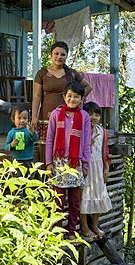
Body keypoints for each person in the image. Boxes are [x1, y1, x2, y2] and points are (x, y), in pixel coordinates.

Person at [31, 41, 92, 165]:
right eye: (56, 54)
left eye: (62, 55)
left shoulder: (72, 73)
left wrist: (76, 101)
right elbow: (37, 95)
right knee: (46, 148)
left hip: (67, 118)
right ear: (51, 55)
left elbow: (88, 87)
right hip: (46, 117)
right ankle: (46, 180)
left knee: (66, 145)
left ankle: (65, 178)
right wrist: (34, 116)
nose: (59, 57)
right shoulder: (42, 73)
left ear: (66, 57)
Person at [45, 81, 91, 242]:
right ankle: (57, 231)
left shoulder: (84, 116)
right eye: (69, 96)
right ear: (64, 97)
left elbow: (86, 141)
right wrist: (48, 162)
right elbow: (50, 138)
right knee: (58, 199)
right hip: (58, 162)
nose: (72, 99)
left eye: (76, 97)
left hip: (75, 162)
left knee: (74, 200)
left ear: (81, 98)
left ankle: (71, 231)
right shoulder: (56, 114)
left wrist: (85, 164)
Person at [80, 102, 112, 239]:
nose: (93, 117)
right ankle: (84, 227)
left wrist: (106, 168)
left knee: (99, 194)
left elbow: (105, 151)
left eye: (97, 115)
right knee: (84, 196)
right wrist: (88, 143)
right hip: (86, 167)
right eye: (90, 114)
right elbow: (77, 149)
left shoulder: (102, 131)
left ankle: (94, 225)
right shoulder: (81, 130)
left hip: (99, 167)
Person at [4, 106, 39, 181]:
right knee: (17, 180)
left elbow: (35, 139)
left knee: (29, 180)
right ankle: (18, 193)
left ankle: (28, 192)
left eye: (25, 118)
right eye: (19, 118)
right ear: (13, 119)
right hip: (17, 161)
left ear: (28, 119)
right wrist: (11, 145)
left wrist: (32, 132)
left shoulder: (29, 131)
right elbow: (6, 146)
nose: (22, 121)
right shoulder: (11, 133)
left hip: (29, 160)